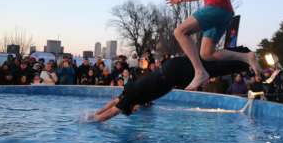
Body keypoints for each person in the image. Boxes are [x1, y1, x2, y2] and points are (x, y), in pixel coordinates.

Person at [90, 47, 251, 122]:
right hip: (171, 67)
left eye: (134, 110)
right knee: (207, 60)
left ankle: (246, 61)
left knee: (211, 68)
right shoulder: (130, 90)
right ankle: (241, 52)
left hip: (174, 74)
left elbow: (110, 113)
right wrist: (95, 113)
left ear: (130, 107)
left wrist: (92, 120)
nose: (137, 110)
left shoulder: (131, 98)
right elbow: (113, 102)